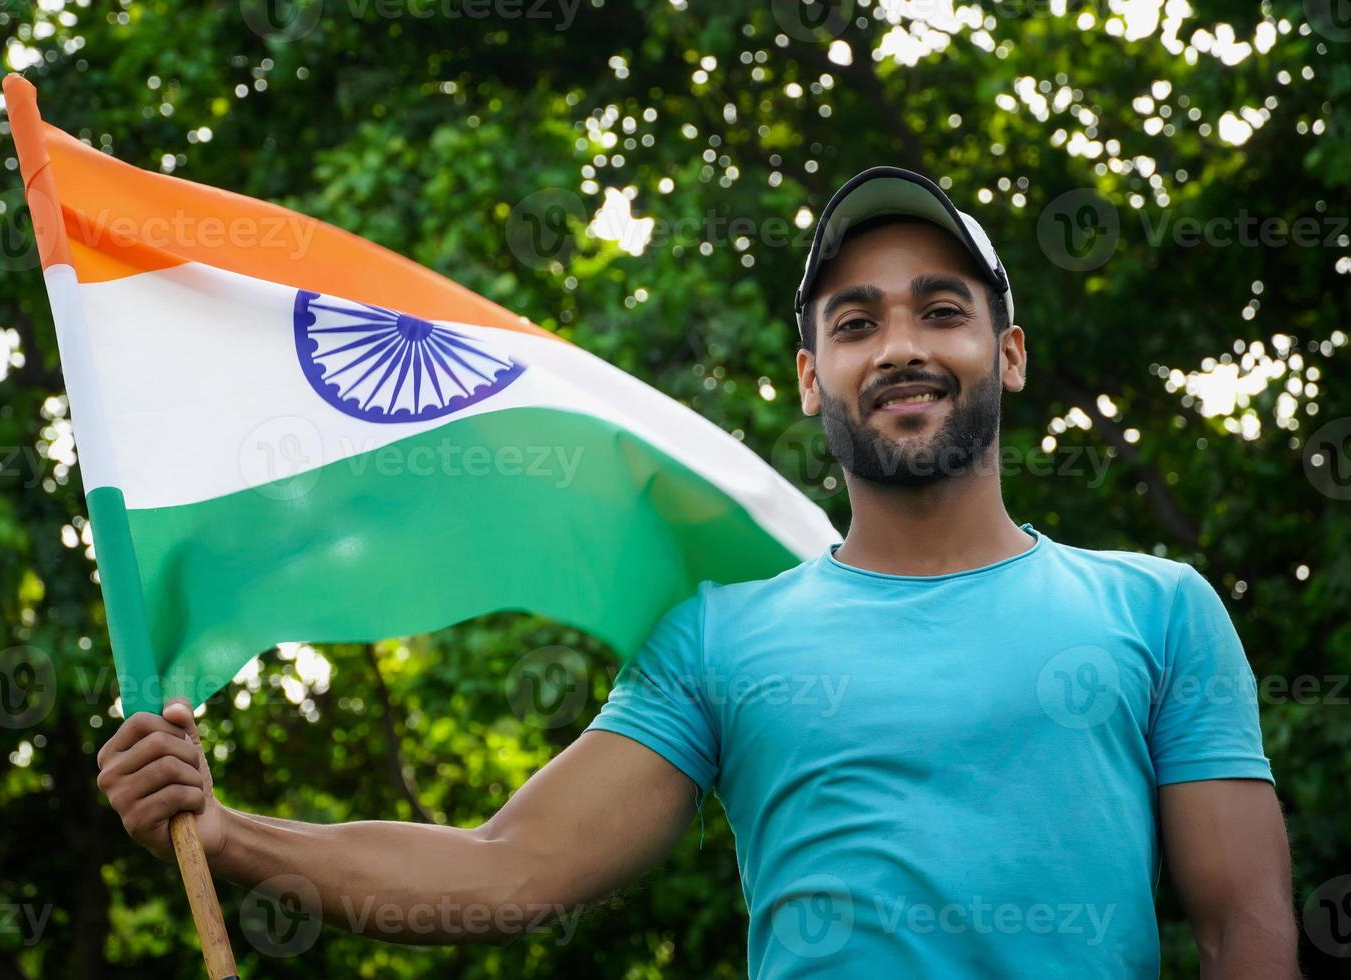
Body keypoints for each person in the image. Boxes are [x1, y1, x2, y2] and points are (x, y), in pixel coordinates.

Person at [96, 166, 1299, 977]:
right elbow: (506, 870)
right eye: (855, 320)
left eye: (942, 309)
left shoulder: (1158, 608)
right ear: (809, 376)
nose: (902, 346)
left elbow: (1248, 922)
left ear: (1009, 352)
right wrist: (226, 829)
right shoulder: (722, 639)